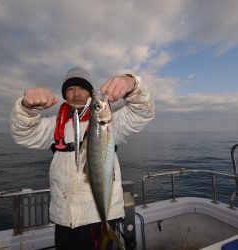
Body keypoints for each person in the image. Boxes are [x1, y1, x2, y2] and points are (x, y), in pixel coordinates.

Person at [9, 66, 155, 249]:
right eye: (70, 89)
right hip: (65, 220)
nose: (76, 93)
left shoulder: (111, 122)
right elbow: (22, 134)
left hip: (101, 218)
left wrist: (132, 84)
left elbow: (143, 112)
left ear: (90, 92)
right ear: (64, 94)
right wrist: (26, 109)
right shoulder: (54, 125)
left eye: (82, 88)